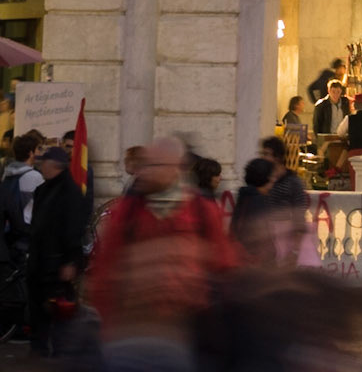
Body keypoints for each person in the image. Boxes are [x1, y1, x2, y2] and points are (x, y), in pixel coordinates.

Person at [86, 136, 234, 368]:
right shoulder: (128, 210)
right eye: (144, 165)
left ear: (176, 168)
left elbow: (225, 265)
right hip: (130, 336)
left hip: (185, 336)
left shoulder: (201, 210)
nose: (144, 172)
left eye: (154, 166)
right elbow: (106, 270)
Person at [26, 145, 89, 357]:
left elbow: (73, 228)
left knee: (58, 308)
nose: (40, 167)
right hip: (40, 260)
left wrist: (71, 261)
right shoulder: (44, 189)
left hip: (56, 262)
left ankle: (60, 350)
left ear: (54, 165)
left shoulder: (70, 192)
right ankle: (39, 347)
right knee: (38, 306)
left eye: (44, 162)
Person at [231, 157, 277, 262]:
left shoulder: (244, 196)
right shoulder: (258, 202)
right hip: (255, 262)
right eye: (272, 176)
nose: (274, 180)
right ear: (265, 178)